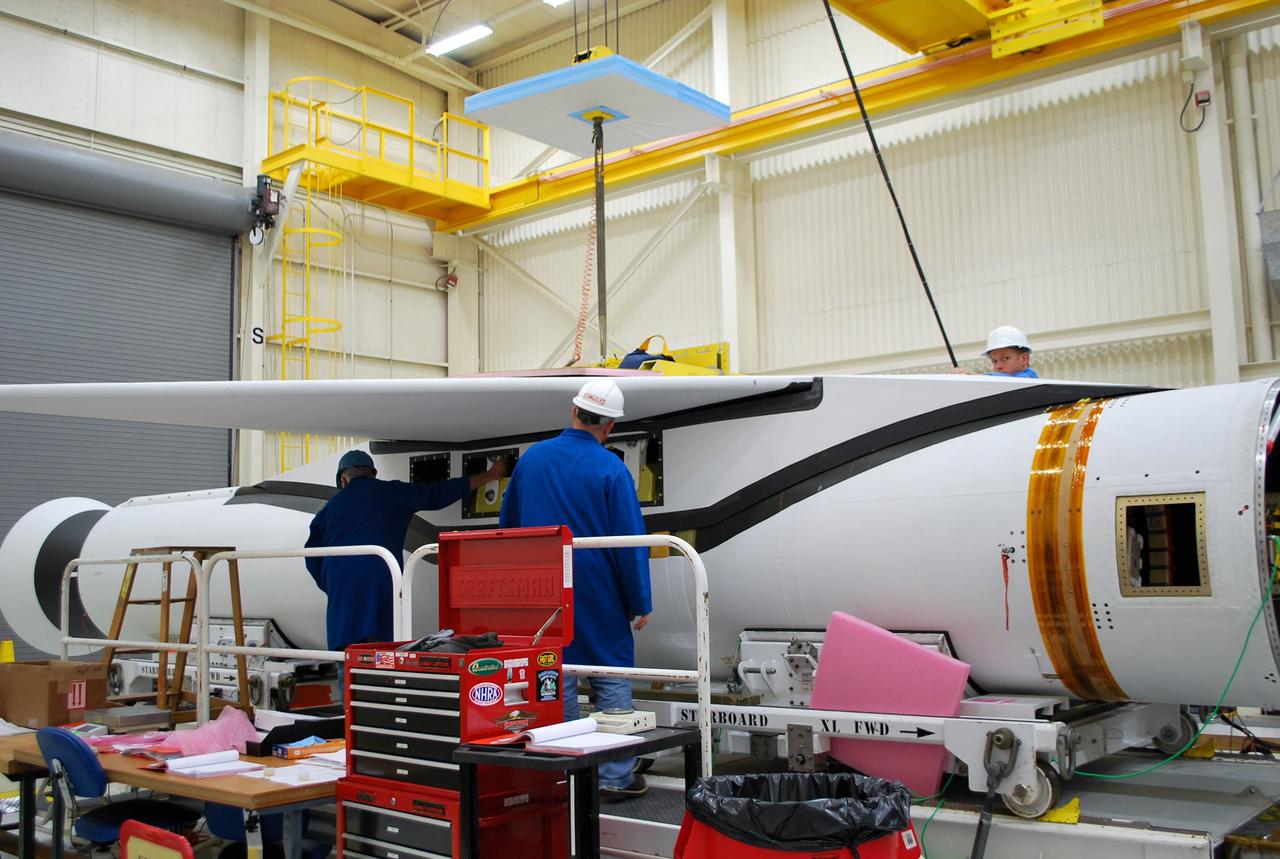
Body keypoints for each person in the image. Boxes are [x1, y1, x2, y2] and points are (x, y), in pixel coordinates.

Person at [498, 378, 653, 803]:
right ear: (611, 426)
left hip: (542, 591)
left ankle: (563, 772)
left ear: (573, 411)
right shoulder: (611, 469)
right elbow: (628, 541)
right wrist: (640, 601)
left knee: (556, 674)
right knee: (611, 676)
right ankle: (615, 777)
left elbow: (507, 529)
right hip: (598, 591)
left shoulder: (531, 461)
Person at [305, 449, 507, 651]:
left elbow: (312, 557)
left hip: (343, 594)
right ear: (372, 474)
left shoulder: (329, 509)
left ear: (343, 479)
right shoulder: (391, 492)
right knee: (382, 655)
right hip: (382, 582)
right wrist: (489, 475)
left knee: (347, 660)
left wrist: (333, 585)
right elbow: (436, 494)